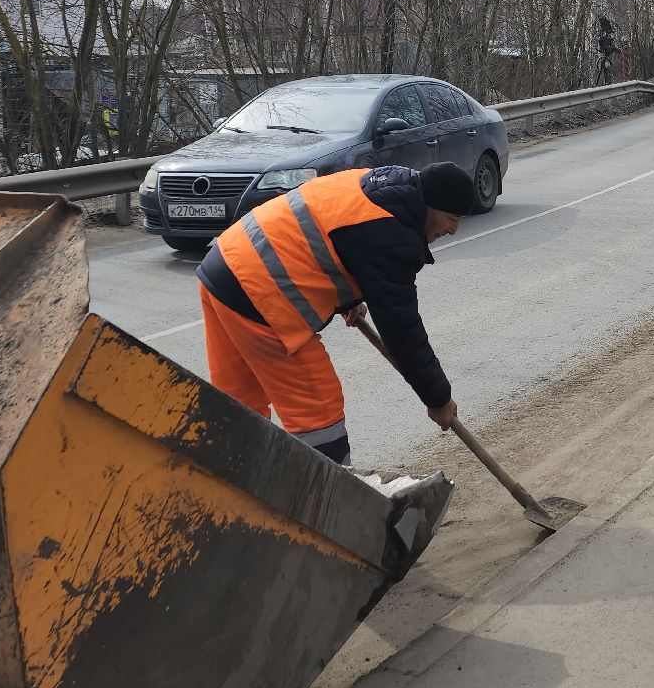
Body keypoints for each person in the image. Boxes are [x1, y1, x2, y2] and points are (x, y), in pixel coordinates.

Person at [195, 162, 477, 464]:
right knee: (317, 409)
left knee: (238, 409)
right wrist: (438, 399)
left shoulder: (378, 183)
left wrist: (348, 297)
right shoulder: (392, 233)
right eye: (452, 218)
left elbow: (334, 234)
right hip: (259, 295)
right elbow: (402, 332)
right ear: (429, 205)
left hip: (223, 268)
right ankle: (326, 491)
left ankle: (230, 485)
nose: (453, 230)